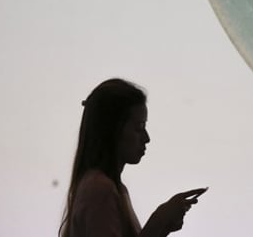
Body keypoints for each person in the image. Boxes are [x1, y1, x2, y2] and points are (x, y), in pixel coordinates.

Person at [59, 78, 207, 237]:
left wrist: (163, 225)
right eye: (139, 128)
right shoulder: (100, 189)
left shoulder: (110, 188)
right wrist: (159, 223)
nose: (146, 138)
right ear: (113, 130)